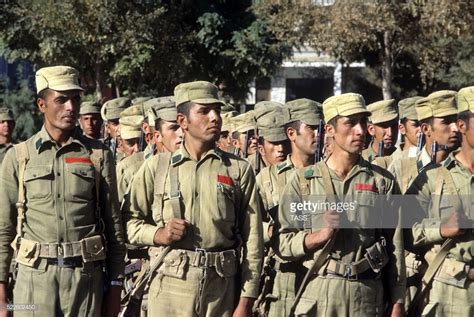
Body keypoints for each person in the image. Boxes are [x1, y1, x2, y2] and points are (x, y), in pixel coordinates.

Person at [122, 80, 263, 316]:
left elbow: (253, 239)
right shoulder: (157, 168)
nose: (215, 117)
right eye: (204, 111)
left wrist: (246, 299)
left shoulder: (237, 169)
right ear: (182, 121)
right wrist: (158, 234)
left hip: (221, 290)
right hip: (170, 287)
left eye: (217, 110)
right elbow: (127, 223)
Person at [0, 65, 125, 316]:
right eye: (61, 99)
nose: (71, 107)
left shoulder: (98, 155)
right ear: (41, 105)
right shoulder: (19, 157)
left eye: (75, 99)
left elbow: (114, 229)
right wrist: (2, 297)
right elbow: (3, 229)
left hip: (85, 280)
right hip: (33, 283)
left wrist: (115, 287)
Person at [276, 93, 405, 316]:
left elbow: (396, 246)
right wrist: (317, 237)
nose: (360, 130)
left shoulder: (382, 182)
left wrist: (398, 302)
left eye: (363, 122)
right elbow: (283, 242)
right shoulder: (304, 181)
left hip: (366, 295)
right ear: (330, 130)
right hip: (319, 291)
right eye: (351, 122)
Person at [404, 86, 473, 316]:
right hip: (449, 293)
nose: (452, 127)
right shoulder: (432, 178)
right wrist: (441, 229)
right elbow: (402, 231)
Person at [255, 98, 324, 316]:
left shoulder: (329, 175)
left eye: (320, 128)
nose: (317, 134)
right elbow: (248, 226)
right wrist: (270, 231)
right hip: (283, 278)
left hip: (322, 274)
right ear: (292, 133)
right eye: (311, 128)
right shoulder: (267, 178)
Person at [390, 90, 460, 193]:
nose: (455, 128)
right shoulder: (401, 168)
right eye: (447, 122)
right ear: (426, 129)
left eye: (457, 121)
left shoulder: (466, 166)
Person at [362, 99, 399, 165]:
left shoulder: (403, 158)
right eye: (384, 126)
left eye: (394, 126)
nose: (390, 133)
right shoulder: (360, 160)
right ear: (371, 129)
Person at [101, 97, 132, 162]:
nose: (120, 128)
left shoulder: (141, 147)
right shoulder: (102, 151)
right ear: (108, 128)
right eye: (115, 123)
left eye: (124, 122)